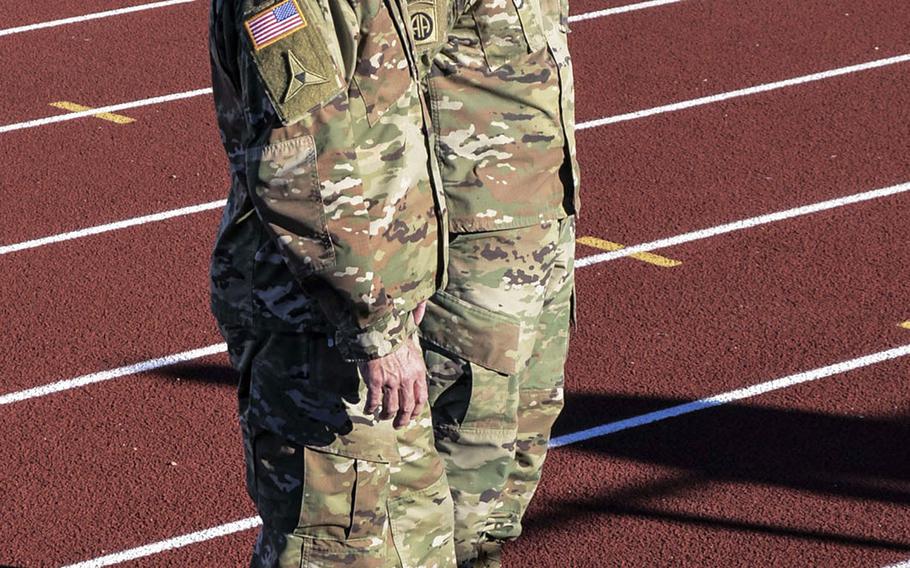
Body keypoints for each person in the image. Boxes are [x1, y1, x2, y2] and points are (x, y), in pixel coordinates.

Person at [207, 0, 457, 564]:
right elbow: (300, 170)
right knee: (337, 546)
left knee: (416, 540)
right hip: (316, 322)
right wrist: (375, 325)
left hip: (377, 305)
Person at [414, 0, 580, 564]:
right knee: (466, 453)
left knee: (522, 446)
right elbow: (380, 88)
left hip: (546, 221)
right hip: (472, 241)